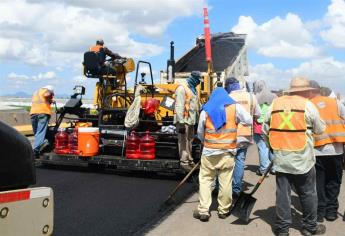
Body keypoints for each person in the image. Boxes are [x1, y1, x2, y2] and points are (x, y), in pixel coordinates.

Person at [262, 77, 326, 236]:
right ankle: (310, 227)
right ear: (305, 91)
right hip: (303, 159)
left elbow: (265, 130)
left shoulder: (275, 104)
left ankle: (283, 229)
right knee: (308, 193)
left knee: (283, 195)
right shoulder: (308, 105)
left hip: (281, 159)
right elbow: (320, 129)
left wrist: (273, 147)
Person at [193, 88, 252, 222]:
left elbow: (200, 131)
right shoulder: (235, 107)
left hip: (209, 152)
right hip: (227, 152)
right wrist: (237, 121)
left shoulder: (206, 109)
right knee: (226, 181)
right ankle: (223, 210)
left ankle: (203, 211)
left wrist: (205, 142)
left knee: (206, 180)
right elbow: (248, 120)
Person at [309, 80, 345, 222]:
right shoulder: (335, 102)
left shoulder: (309, 105)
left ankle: (319, 212)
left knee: (318, 182)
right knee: (334, 180)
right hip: (336, 149)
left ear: (311, 91)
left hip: (316, 150)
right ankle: (331, 211)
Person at [224, 77, 261, 198]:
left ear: (228, 86)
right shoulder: (251, 97)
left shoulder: (228, 97)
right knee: (240, 161)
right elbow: (258, 114)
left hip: (230, 134)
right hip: (245, 135)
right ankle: (236, 189)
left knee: (228, 161)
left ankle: (224, 187)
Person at [174, 71, 201, 171]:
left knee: (190, 140)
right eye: (198, 80)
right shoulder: (182, 88)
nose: (199, 82)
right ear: (194, 78)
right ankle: (184, 162)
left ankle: (190, 160)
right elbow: (179, 105)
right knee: (183, 141)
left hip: (191, 120)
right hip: (183, 120)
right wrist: (181, 122)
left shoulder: (193, 89)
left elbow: (197, 105)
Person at [253, 80, 277, 175]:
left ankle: (264, 169)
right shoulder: (274, 97)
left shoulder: (255, 98)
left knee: (262, 147)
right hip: (272, 125)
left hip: (259, 125)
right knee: (272, 147)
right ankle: (274, 168)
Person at [30, 85, 55, 158]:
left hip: (33, 113)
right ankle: (35, 151)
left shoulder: (36, 92)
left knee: (37, 133)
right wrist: (51, 94)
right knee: (40, 133)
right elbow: (47, 94)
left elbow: (42, 99)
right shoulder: (47, 91)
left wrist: (49, 101)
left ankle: (43, 143)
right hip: (43, 113)